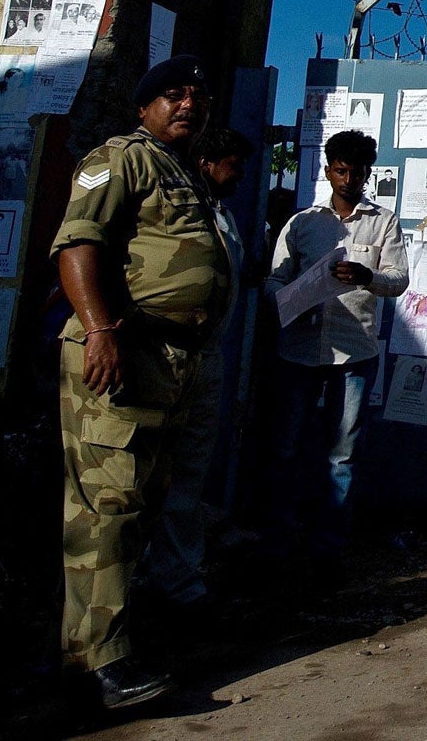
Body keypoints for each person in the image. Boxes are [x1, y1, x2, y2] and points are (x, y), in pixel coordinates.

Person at [50, 54, 229, 711]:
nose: (188, 103)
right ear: (144, 106)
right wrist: (99, 329)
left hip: (173, 361)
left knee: (144, 502)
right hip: (125, 349)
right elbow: (79, 245)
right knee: (108, 507)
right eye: (173, 94)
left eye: (197, 95)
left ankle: (118, 637)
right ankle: (96, 665)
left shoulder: (183, 171)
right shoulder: (119, 157)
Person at [264, 128, 408, 583]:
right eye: (340, 170)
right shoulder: (302, 223)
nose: (348, 179)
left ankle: (330, 550)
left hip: (354, 351)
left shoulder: (382, 222)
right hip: (300, 348)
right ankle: (279, 543)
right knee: (285, 447)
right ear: (327, 170)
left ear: (368, 174)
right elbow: (274, 277)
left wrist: (367, 275)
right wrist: (286, 298)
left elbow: (398, 279)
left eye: (357, 172)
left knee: (342, 455)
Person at [141, 127, 252, 611]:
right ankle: (130, 578)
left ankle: (179, 579)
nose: (242, 176)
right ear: (207, 163)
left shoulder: (222, 215)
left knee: (188, 472)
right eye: (234, 165)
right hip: (163, 355)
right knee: (146, 469)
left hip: (206, 357)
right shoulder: (175, 211)